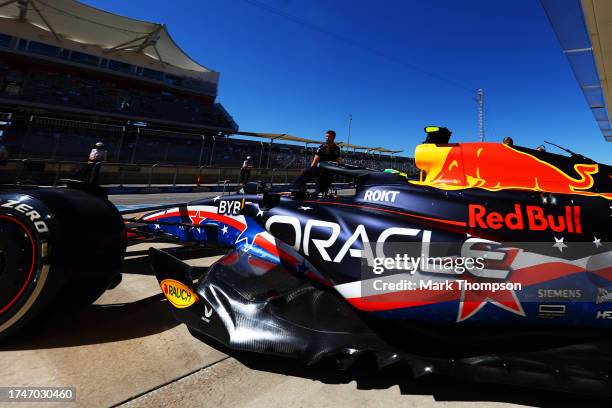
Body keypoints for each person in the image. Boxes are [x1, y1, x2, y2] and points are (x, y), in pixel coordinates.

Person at [291, 130, 341, 197]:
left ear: (333, 137)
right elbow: (315, 161)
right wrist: (311, 172)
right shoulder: (322, 147)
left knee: (324, 191)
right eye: (326, 136)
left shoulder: (337, 148)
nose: (326, 138)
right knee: (318, 191)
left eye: (328, 136)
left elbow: (337, 161)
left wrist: (337, 172)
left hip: (329, 172)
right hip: (320, 172)